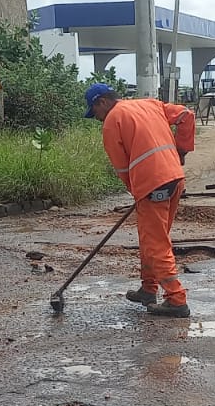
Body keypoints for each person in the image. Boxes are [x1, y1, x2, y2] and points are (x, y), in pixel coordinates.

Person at [84, 83, 196, 318]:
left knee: (156, 244)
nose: (96, 117)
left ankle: (176, 300)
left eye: (94, 111)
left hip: (152, 185)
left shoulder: (113, 120)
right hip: (175, 178)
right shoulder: (150, 104)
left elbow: (122, 167)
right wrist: (181, 151)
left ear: (102, 102)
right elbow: (186, 115)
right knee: (153, 238)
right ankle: (148, 289)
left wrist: (137, 191)